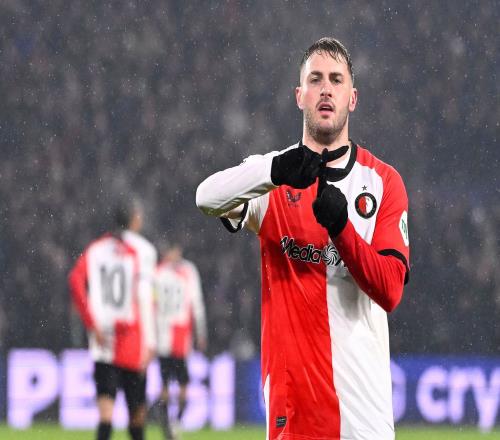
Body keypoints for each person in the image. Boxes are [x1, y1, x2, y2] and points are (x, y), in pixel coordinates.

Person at [196, 37, 410, 440]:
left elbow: (390, 290)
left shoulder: (383, 182)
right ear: (300, 96)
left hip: (363, 417)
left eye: (336, 80)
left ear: (352, 98)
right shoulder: (270, 177)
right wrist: (274, 171)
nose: (326, 89)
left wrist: (342, 230)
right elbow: (205, 198)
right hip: (293, 416)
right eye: (315, 79)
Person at [68, 199, 157, 440]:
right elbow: (144, 297)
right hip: (133, 339)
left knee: (105, 414)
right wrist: (151, 340)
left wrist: (91, 323)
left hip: (103, 338)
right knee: (137, 417)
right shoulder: (144, 250)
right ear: (134, 219)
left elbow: (75, 281)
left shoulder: (96, 249)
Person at [153, 244, 207, 440]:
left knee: (176, 384)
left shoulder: (158, 272)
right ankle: (170, 424)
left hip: (173, 337)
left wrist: (200, 331)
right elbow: (197, 303)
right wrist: (201, 332)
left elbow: (151, 302)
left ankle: (170, 423)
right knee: (172, 384)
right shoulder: (186, 271)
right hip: (171, 336)